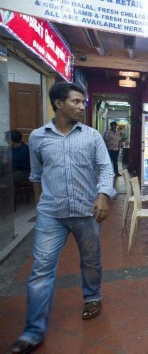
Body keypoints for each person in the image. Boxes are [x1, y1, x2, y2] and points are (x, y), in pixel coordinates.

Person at [7, 82, 116, 354]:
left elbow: (106, 169)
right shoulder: (38, 138)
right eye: (76, 101)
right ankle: (33, 332)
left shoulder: (92, 136)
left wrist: (103, 194)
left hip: (85, 212)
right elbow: (35, 176)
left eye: (83, 102)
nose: (82, 106)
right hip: (51, 215)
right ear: (58, 103)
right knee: (41, 270)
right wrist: (39, 206)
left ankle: (92, 296)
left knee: (91, 261)